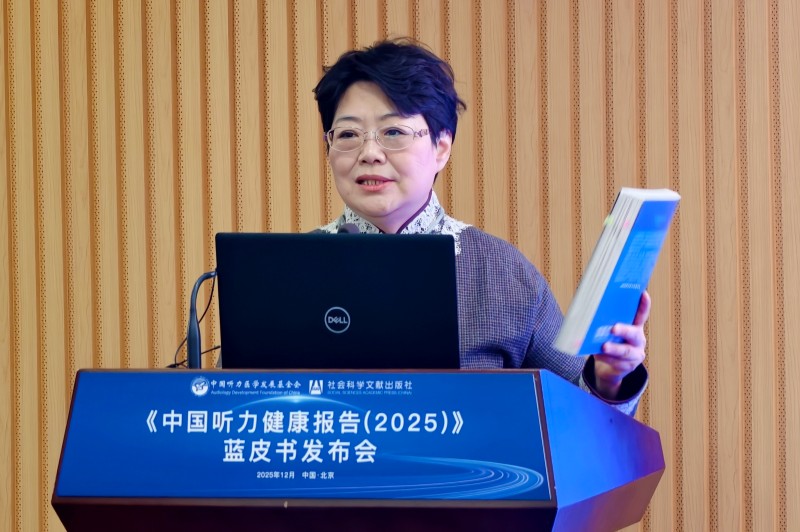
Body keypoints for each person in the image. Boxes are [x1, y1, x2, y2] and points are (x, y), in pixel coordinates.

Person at [312, 38, 649, 415]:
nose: (369, 153)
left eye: (393, 132)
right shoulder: (288, 272)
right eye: (348, 134)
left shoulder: (503, 272)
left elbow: (581, 414)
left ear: (441, 147)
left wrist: (608, 378)